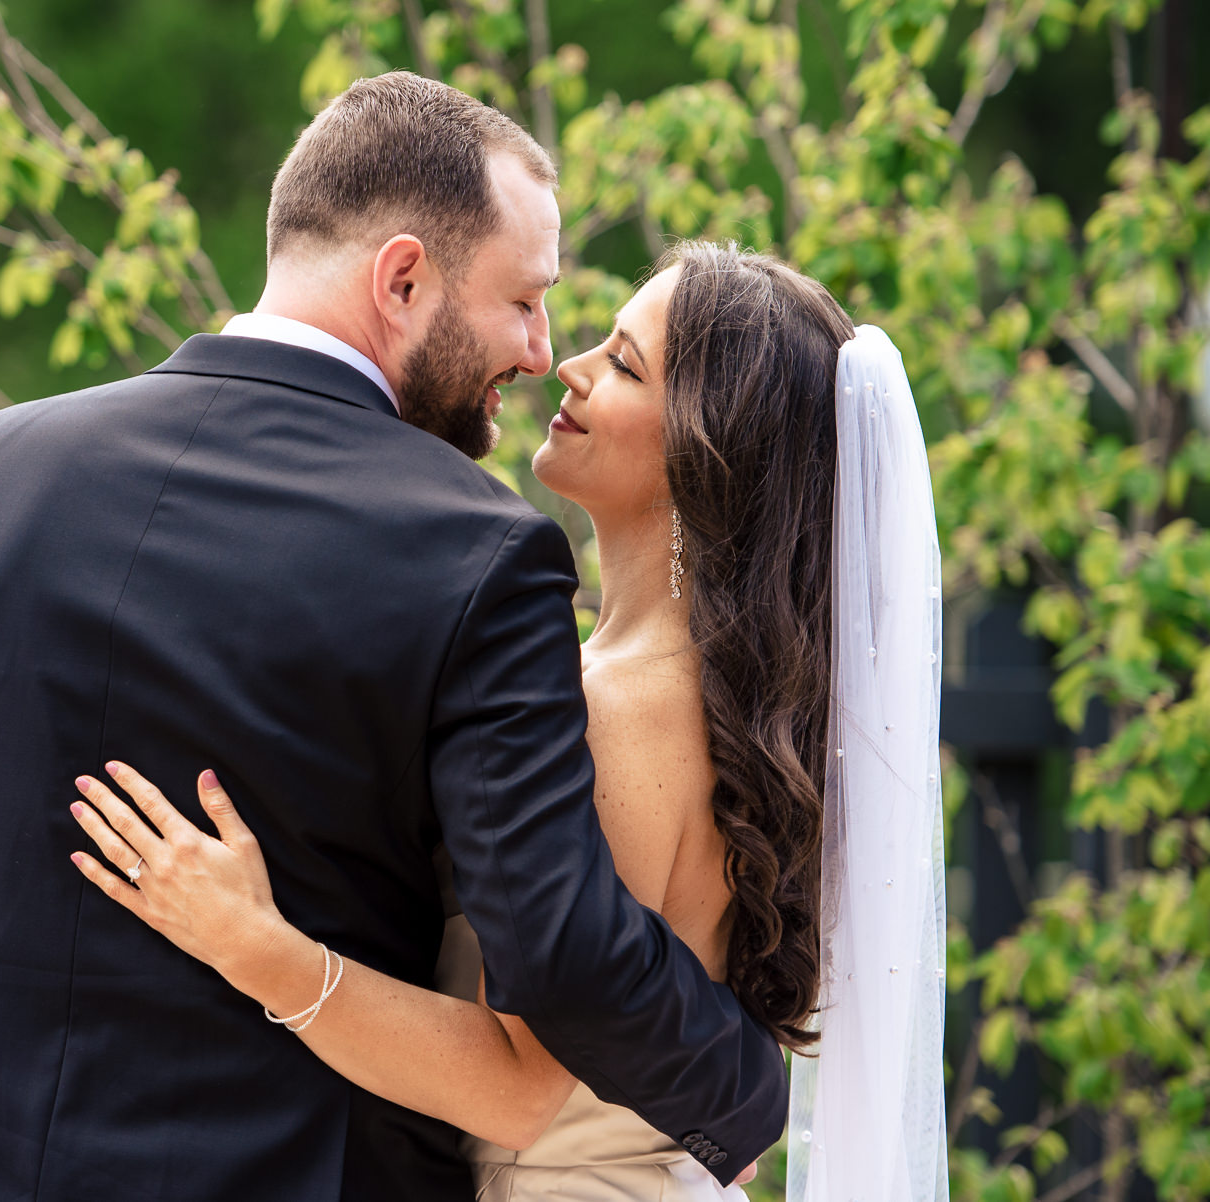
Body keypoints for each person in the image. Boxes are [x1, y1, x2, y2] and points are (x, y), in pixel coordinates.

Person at [0, 74, 785, 1202]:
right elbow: (558, 944)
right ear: (403, 277)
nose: (539, 347)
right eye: (522, 300)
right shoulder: (477, 553)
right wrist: (745, 1090)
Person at [67, 244, 949, 1201]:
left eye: (622, 363)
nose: (568, 366)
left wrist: (256, 947)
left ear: (701, 454)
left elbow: (521, 1089)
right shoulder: (684, 692)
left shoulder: (628, 710)